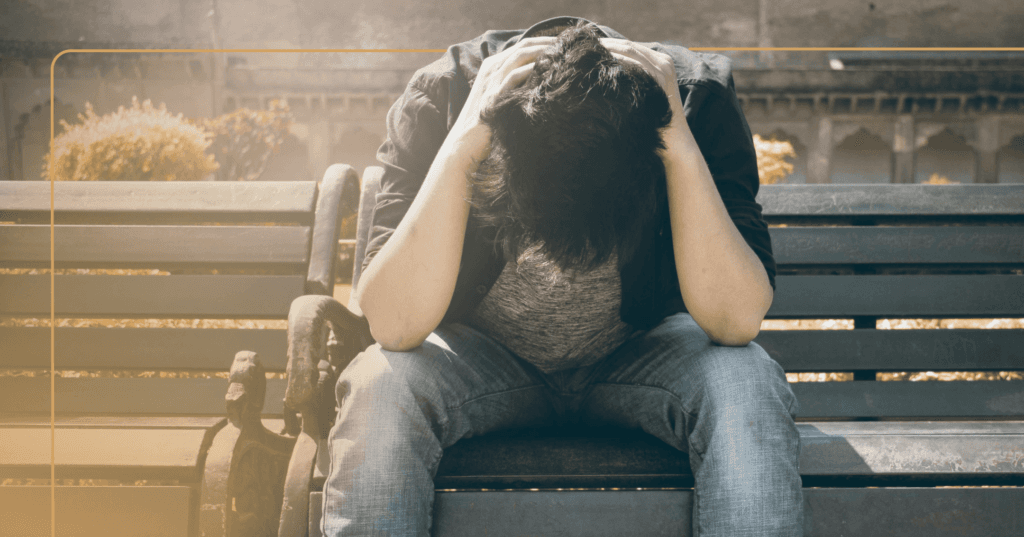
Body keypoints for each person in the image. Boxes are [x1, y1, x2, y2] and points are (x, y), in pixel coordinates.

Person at [323, 16, 802, 536]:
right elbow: (393, 325)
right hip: (482, 359)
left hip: (639, 352)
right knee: (381, 385)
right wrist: (464, 142)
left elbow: (735, 322)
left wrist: (678, 144)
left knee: (745, 379)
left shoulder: (694, 100)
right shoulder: (444, 95)